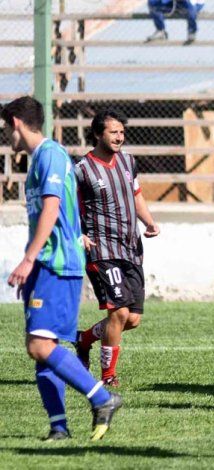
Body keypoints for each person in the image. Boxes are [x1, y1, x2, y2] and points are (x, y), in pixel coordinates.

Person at [2, 96, 121, 442]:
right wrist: (32, 263)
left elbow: (52, 209)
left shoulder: (50, 154)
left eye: (5, 128)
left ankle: (103, 397)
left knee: (41, 346)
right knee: (40, 346)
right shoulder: (38, 159)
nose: (5, 135)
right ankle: (59, 427)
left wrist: (29, 259)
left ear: (16, 122)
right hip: (45, 265)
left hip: (58, 264)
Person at [73, 109, 160, 387]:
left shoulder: (128, 162)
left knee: (132, 319)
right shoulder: (81, 169)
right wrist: (79, 234)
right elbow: (68, 206)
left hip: (130, 248)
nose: (119, 137)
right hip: (102, 250)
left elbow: (136, 195)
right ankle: (108, 377)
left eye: (122, 132)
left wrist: (149, 222)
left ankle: (84, 339)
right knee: (119, 312)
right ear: (98, 134)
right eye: (113, 132)